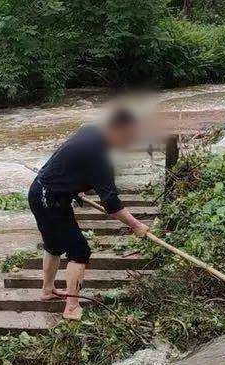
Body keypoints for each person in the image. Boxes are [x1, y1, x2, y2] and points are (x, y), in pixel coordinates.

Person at [28, 106, 151, 321]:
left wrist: (77, 183)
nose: (130, 142)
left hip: (39, 190)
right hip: (51, 199)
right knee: (79, 251)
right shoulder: (98, 157)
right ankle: (72, 307)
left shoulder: (90, 131)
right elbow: (112, 205)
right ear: (118, 130)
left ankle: (48, 290)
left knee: (54, 244)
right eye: (130, 136)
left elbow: (69, 160)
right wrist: (137, 226)